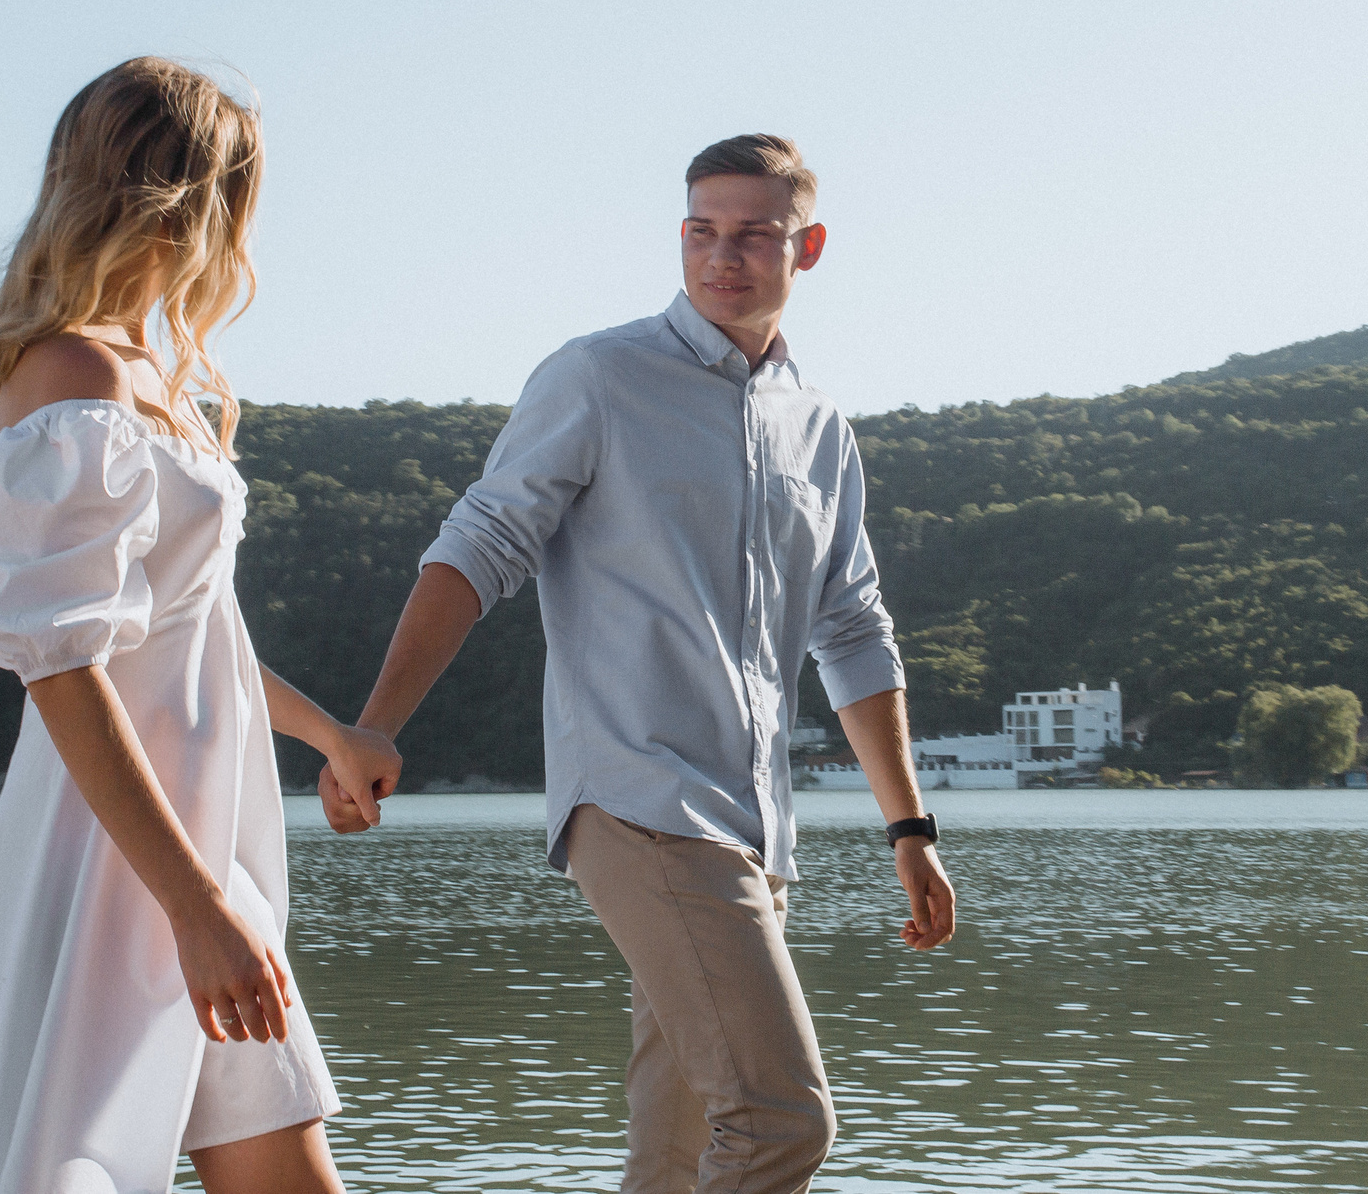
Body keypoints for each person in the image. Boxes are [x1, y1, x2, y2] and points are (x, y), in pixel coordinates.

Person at [323, 132, 956, 1194]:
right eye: (701, 230)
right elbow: (478, 546)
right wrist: (376, 722)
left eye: (754, 234)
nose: (722, 256)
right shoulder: (600, 376)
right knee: (782, 1122)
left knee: (677, 1153)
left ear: (808, 248)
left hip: (756, 827)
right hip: (637, 797)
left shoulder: (821, 430)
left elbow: (852, 630)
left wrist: (910, 830)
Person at [0, 59, 400, 1194]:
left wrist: (328, 734)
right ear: (189, 199)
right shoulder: (74, 374)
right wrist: (194, 907)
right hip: (116, 864)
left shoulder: (148, 379)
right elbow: (64, 666)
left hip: (197, 859)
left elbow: (194, 638)